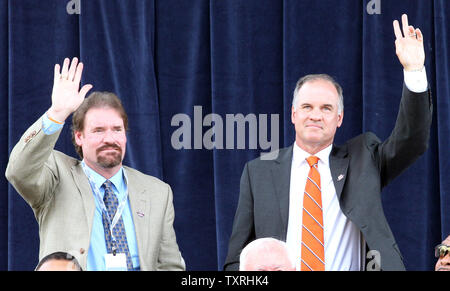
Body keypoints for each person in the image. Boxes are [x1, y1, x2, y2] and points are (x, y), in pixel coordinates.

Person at [224, 14, 432, 271]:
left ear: (339, 118)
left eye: (326, 108)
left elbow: (412, 140)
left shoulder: (364, 159)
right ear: (293, 114)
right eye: (307, 106)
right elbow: (236, 260)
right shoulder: (258, 173)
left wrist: (414, 71)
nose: (315, 115)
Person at [5, 57, 185, 271]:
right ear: (79, 137)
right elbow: (18, 171)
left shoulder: (158, 192)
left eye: (117, 129)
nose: (110, 138)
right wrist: (57, 114)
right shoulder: (56, 174)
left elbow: (170, 265)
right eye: (98, 130)